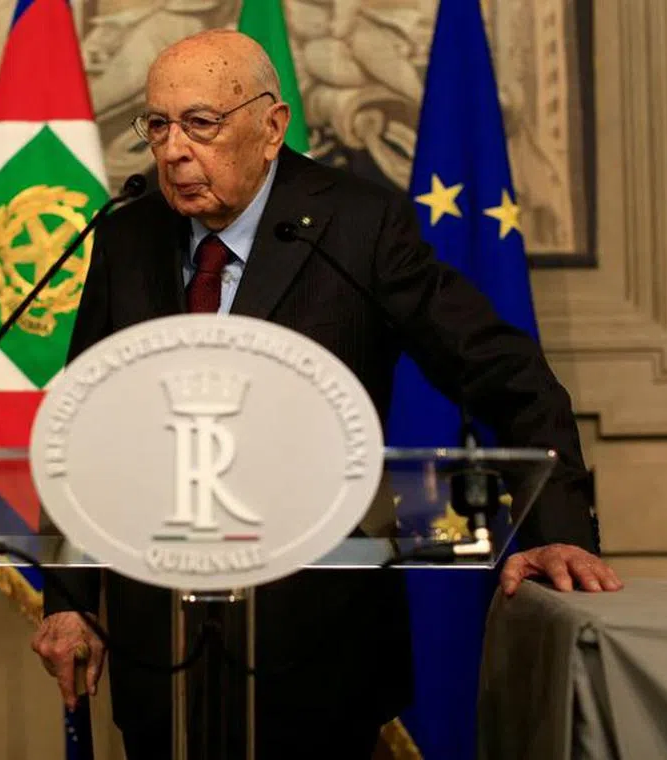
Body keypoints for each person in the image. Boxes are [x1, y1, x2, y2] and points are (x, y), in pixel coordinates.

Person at [32, 29, 622, 760]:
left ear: (272, 126)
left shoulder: (356, 224)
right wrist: (70, 603)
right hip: (163, 652)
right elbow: (89, 429)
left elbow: (506, 374)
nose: (173, 150)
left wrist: (558, 528)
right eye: (157, 125)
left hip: (320, 647)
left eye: (201, 124)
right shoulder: (128, 236)